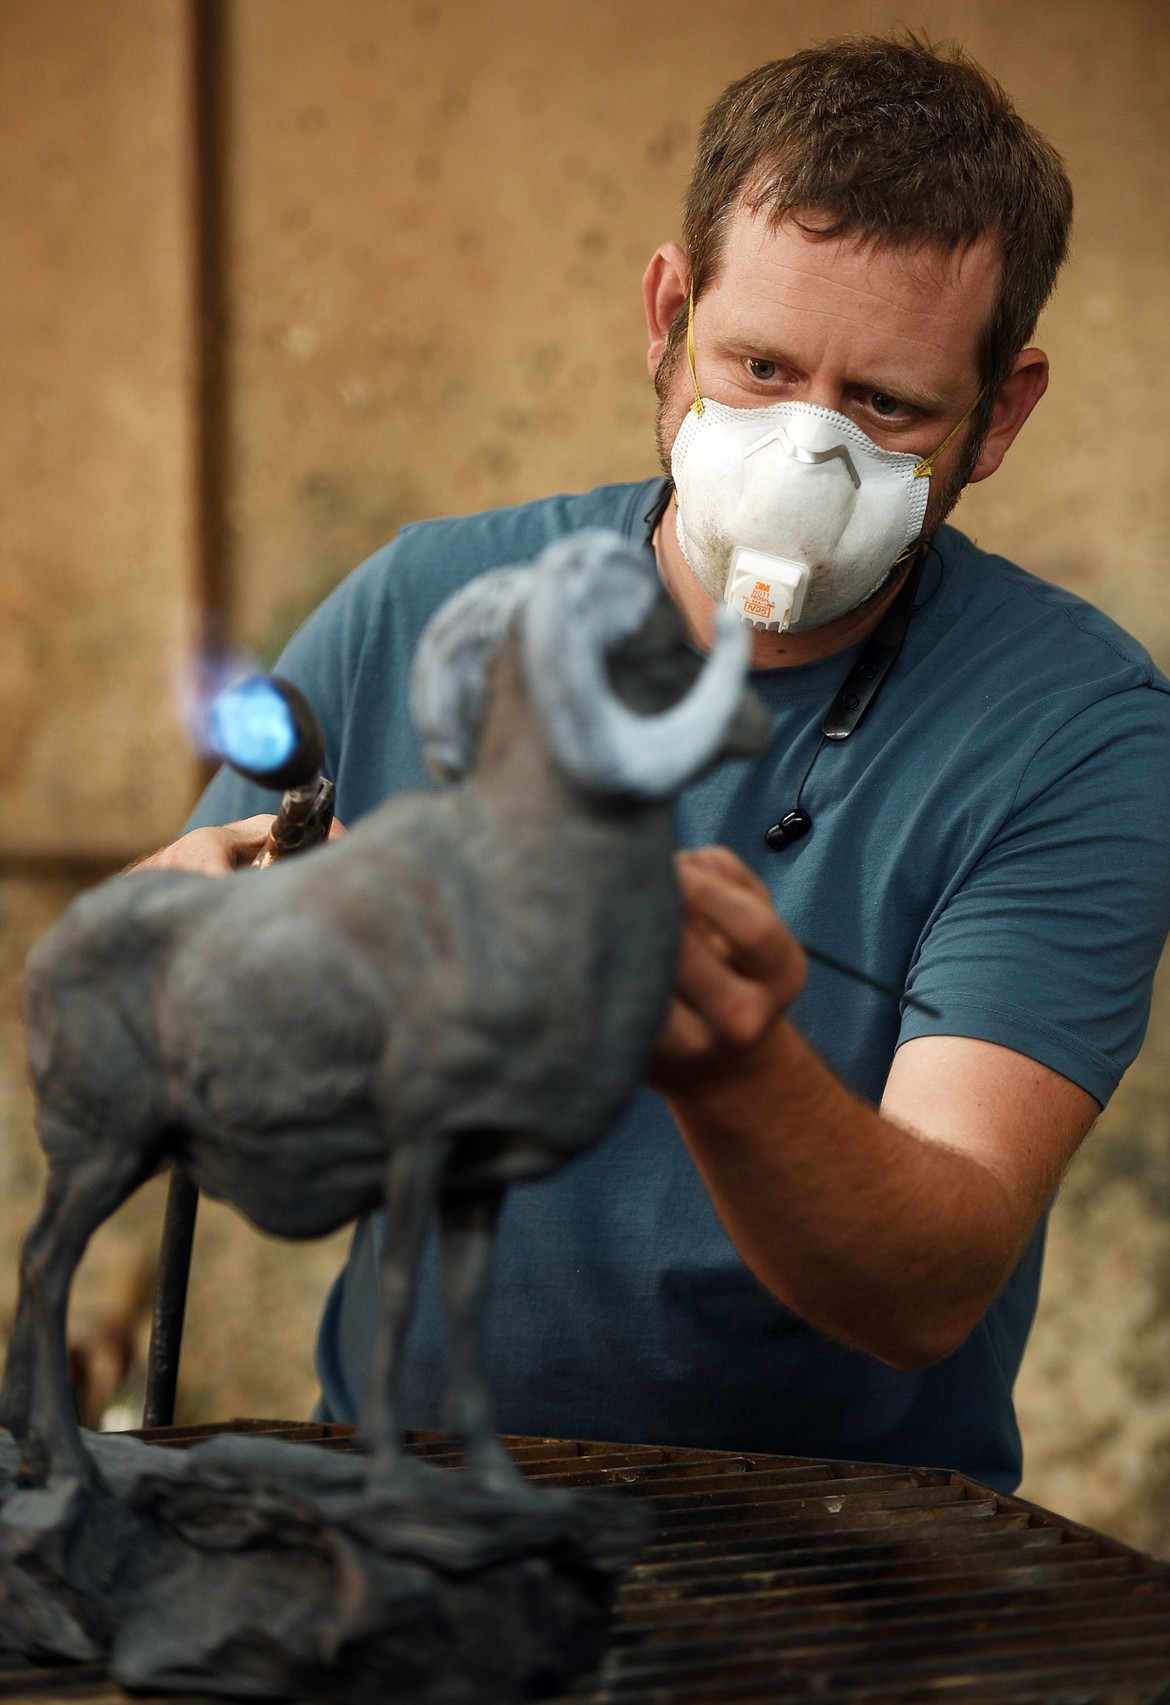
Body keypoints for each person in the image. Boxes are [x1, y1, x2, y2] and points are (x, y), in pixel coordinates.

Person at [141, 36, 1170, 1490]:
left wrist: (731, 1061)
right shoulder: (429, 601)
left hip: (842, 1564)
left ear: (997, 417)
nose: (800, 468)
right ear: (665, 314)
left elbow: (927, 1283)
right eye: (754, 368)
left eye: (887, 407)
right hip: (418, 1508)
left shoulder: (1072, 728)